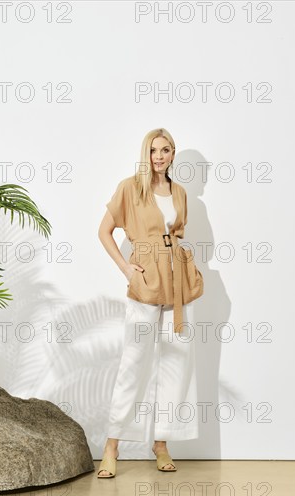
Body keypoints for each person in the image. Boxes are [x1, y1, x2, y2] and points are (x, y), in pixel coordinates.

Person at [97, 128, 199, 478]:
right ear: (146, 153)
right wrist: (127, 268)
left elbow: (177, 235)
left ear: (174, 154)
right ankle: (112, 444)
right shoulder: (130, 187)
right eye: (153, 150)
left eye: (166, 150)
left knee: (177, 363)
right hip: (144, 281)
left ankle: (161, 442)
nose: (159, 156)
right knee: (134, 361)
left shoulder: (180, 192)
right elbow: (104, 231)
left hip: (177, 282)